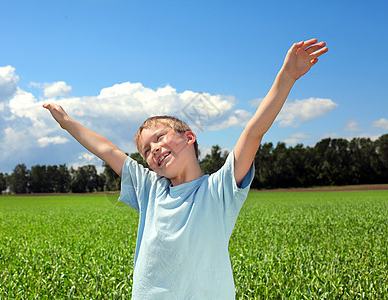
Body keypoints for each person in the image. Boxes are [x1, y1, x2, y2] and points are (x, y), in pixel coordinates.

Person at [43, 38, 328, 299]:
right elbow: (108, 150)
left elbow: (254, 132)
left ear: (189, 137)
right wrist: (66, 122)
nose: (153, 149)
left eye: (159, 138)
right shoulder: (149, 188)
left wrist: (287, 77)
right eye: (146, 150)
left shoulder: (219, 190)